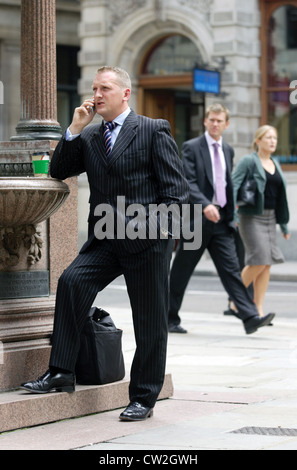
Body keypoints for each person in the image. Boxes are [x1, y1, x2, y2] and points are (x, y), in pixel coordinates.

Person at [21, 66, 189, 421]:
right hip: (106, 239)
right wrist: (73, 129)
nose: (97, 94)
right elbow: (58, 170)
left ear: (125, 94)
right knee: (71, 282)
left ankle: (144, 396)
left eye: (105, 88)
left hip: (146, 242)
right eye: (94, 88)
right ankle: (62, 371)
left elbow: (176, 196)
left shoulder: (152, 130)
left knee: (149, 322)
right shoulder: (91, 136)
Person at [168, 103, 275, 335]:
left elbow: (226, 184)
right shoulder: (191, 147)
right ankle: (169, 318)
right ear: (205, 122)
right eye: (211, 120)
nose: (215, 124)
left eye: (219, 121)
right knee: (181, 272)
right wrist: (205, 205)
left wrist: (232, 214)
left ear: (226, 124)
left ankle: (248, 317)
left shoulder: (228, 149)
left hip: (222, 222)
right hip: (196, 220)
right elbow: (188, 181)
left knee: (231, 271)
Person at [232, 125, 290, 317]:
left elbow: (280, 196)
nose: (273, 141)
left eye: (275, 137)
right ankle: (235, 299)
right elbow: (233, 186)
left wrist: (283, 224)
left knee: (267, 263)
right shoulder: (248, 161)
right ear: (258, 141)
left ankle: (258, 309)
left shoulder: (276, 163)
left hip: (270, 218)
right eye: (268, 137)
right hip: (251, 217)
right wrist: (232, 214)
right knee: (259, 260)